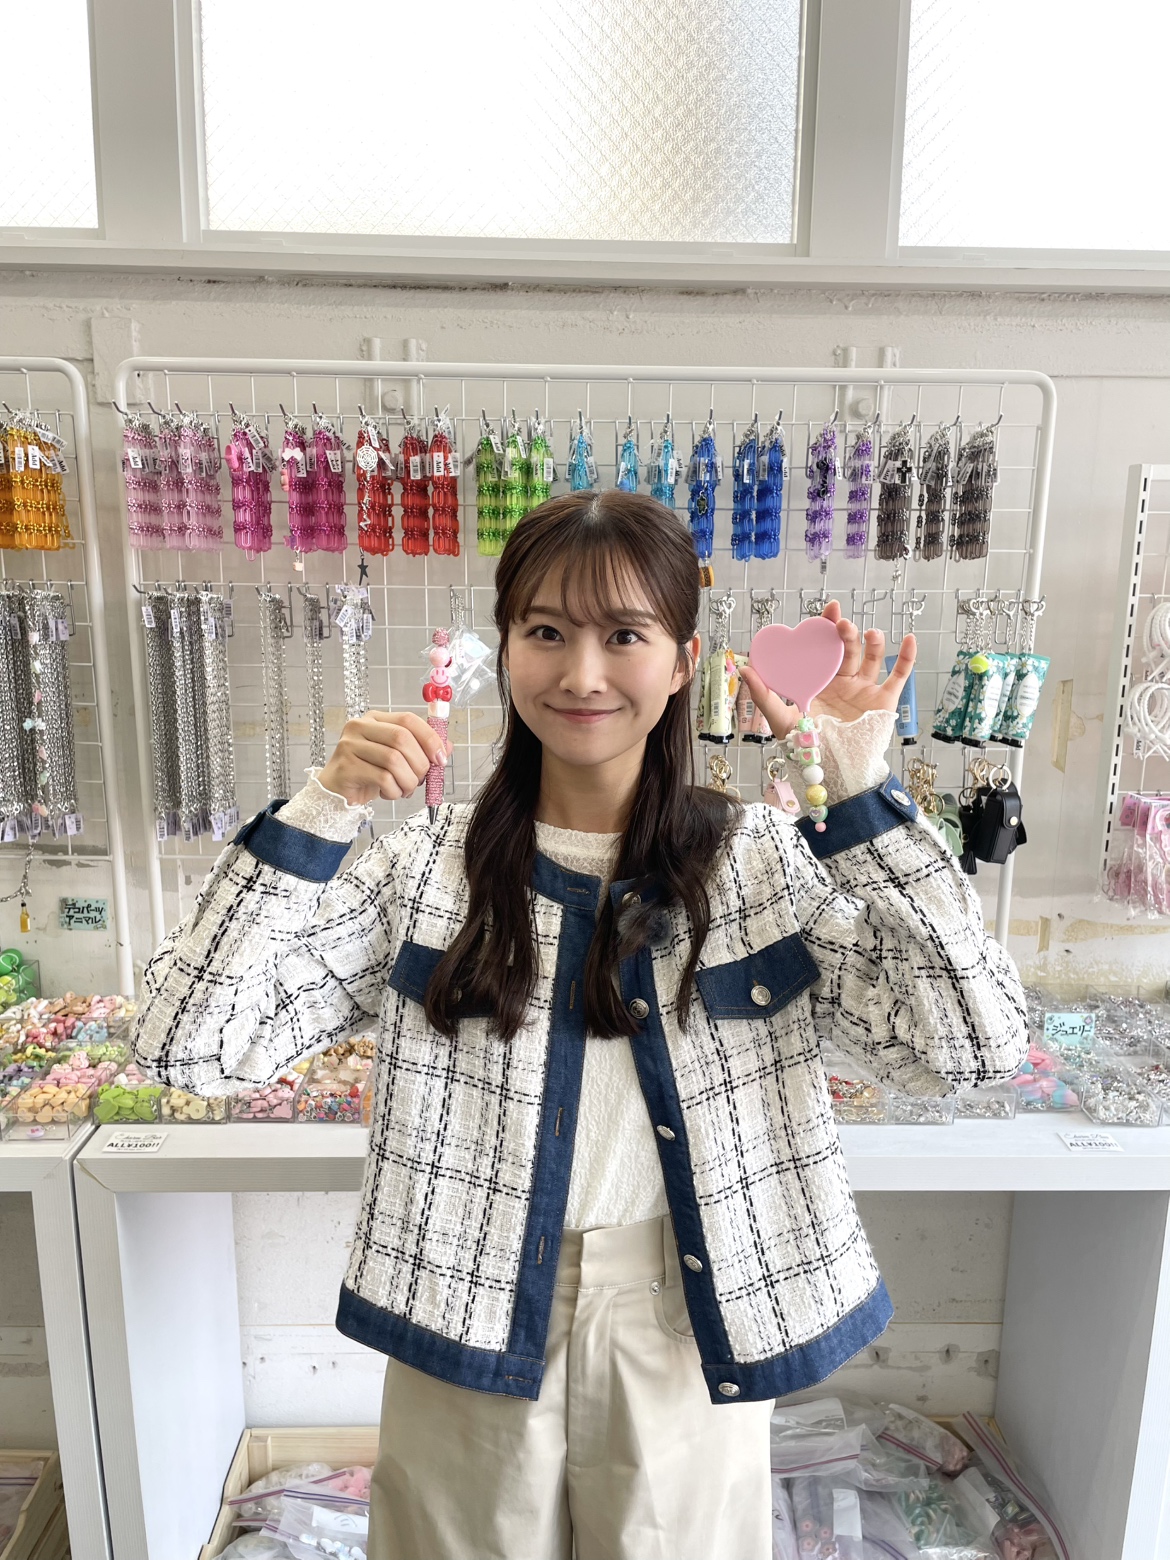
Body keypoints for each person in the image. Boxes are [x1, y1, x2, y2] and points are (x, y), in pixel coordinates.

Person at [133, 490, 1027, 1560]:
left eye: (625, 636)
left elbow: (974, 1044)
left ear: (684, 661)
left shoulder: (758, 865)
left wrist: (862, 797)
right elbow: (186, 1042)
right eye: (547, 632)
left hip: (685, 1314)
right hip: (462, 1297)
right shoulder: (427, 868)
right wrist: (323, 806)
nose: (583, 674)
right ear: (506, 647)